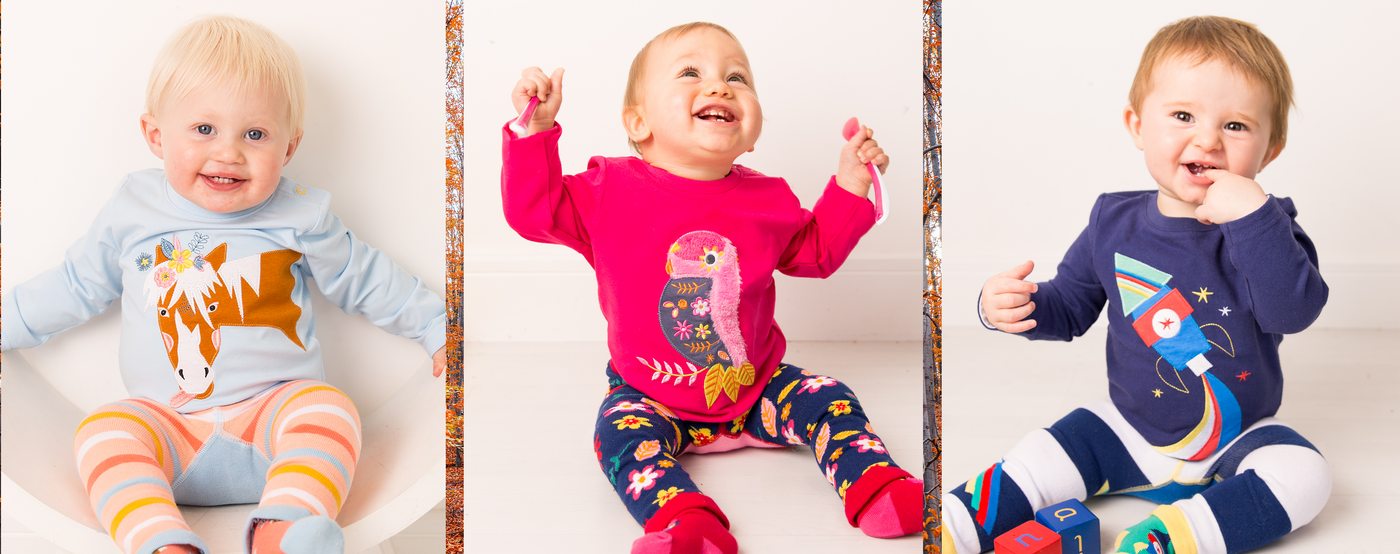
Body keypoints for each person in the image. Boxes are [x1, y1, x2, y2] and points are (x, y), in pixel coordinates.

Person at [1, 15, 446, 554]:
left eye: (255, 134)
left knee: (329, 409)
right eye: (204, 129)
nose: (229, 153)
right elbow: (75, 284)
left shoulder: (299, 215)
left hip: (272, 422)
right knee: (103, 431)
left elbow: (365, 278)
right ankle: (164, 543)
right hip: (169, 428)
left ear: (289, 148)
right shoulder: (134, 208)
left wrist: (435, 327)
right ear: (155, 135)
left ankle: (280, 530)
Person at [501, 21, 922, 554]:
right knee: (617, 437)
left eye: (737, 78)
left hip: (756, 387)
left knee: (829, 397)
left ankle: (876, 484)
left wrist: (851, 184)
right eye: (691, 73)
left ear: (753, 130)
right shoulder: (608, 190)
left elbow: (815, 253)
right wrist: (534, 131)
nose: (720, 86)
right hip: (649, 395)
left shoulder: (768, 198)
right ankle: (684, 520)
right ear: (639, 121)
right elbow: (534, 213)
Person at [942, 16, 1330, 554]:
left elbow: (1292, 312)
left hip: (1239, 436)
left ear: (1271, 149)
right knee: (1040, 453)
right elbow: (1069, 307)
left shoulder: (1271, 228)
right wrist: (1013, 306)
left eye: (1236, 126)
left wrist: (1255, 218)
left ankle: (1178, 536)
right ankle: (954, 524)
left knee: (1307, 475)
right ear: (1138, 125)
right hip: (1123, 429)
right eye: (1183, 116)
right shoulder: (1113, 222)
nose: (1208, 139)